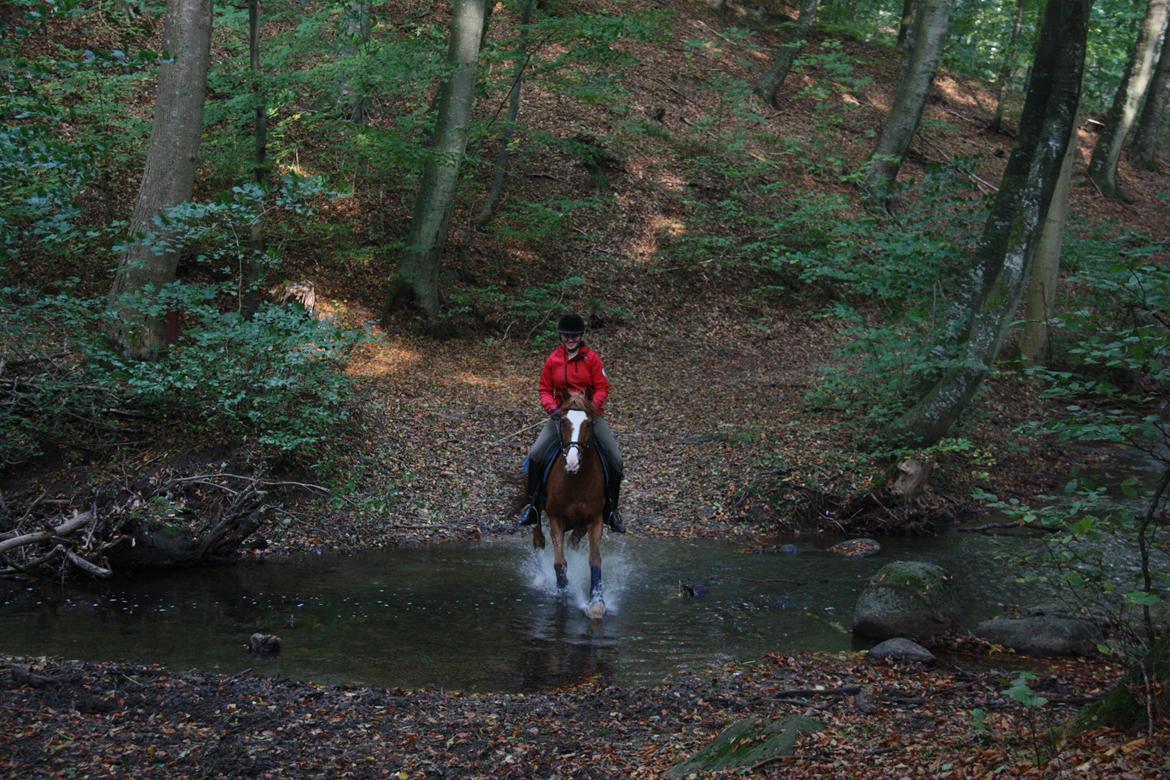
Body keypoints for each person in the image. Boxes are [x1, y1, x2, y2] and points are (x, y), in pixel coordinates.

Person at [517, 313, 625, 533]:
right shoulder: (553, 360)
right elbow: (544, 389)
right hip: (562, 416)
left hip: (589, 416)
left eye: (574, 336)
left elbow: (602, 386)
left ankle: (611, 510)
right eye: (567, 335)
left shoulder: (592, 359)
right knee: (536, 454)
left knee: (616, 458)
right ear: (561, 336)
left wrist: (592, 408)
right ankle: (532, 507)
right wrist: (553, 410)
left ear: (580, 336)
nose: (570, 339)